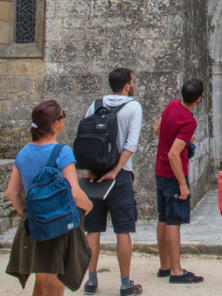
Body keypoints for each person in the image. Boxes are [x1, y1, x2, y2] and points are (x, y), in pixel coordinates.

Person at [5, 99, 93, 296]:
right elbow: (74, 192)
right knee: (55, 282)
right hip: (58, 225)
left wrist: (30, 216)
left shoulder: (23, 153)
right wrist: (88, 207)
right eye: (63, 117)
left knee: (42, 279)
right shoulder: (63, 152)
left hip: (35, 226)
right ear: (55, 123)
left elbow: (12, 193)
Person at [82, 67, 143, 296]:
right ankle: (125, 284)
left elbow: (87, 139)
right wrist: (116, 170)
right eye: (133, 82)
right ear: (127, 84)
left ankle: (91, 281)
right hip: (120, 176)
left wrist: (91, 169)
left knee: (93, 230)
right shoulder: (132, 106)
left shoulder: (96, 104)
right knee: (123, 231)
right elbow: (131, 145)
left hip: (96, 175)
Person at [154, 78, 204, 284]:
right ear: (199, 98)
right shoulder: (189, 121)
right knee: (174, 222)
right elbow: (175, 154)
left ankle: (164, 265)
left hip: (160, 171)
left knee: (163, 218)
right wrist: (182, 184)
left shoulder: (172, 105)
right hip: (174, 174)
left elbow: (157, 129)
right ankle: (176, 270)